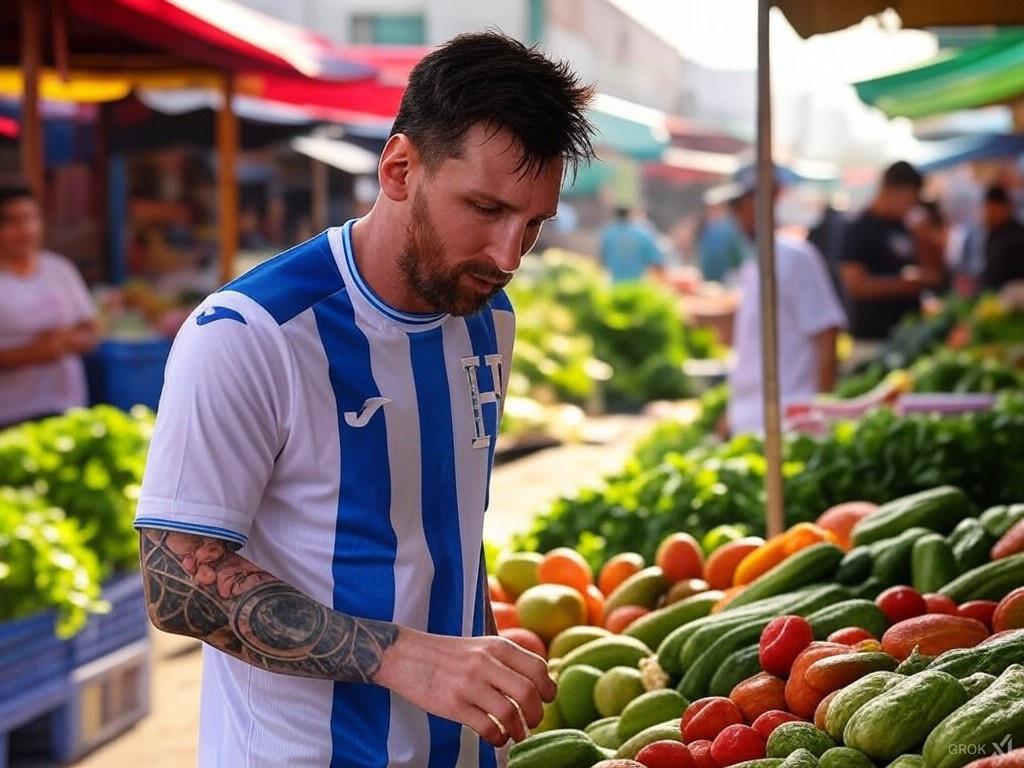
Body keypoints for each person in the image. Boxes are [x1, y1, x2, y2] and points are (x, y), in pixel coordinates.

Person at [134, 32, 595, 768]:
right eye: (484, 208)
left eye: (533, 223)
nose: (509, 256)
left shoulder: (488, 317)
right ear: (400, 168)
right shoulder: (249, 334)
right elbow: (173, 582)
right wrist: (404, 657)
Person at [724, 175, 846, 435]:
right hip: (751, 420)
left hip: (790, 420)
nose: (737, 217)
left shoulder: (795, 258)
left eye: (740, 206)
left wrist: (818, 412)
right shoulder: (753, 265)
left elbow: (826, 332)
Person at [0, 184, 98, 430]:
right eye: (13, 221)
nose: (25, 230)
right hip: (10, 415)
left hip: (67, 407)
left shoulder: (59, 269)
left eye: (31, 219)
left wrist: (73, 341)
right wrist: (37, 351)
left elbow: (91, 327)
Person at [839, 161, 941, 340]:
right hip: (873, 336)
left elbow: (932, 273)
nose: (910, 207)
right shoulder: (859, 228)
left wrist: (924, 239)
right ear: (891, 190)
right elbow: (855, 285)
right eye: (909, 200)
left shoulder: (904, 226)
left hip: (908, 333)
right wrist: (905, 284)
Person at [598, 206, 666, 283]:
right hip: (638, 285)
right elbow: (657, 261)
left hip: (615, 286)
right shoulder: (642, 234)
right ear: (630, 214)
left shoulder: (608, 234)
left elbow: (602, 260)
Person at [979, 185, 1024, 291]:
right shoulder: (992, 234)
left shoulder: (1017, 236)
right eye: (987, 210)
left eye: (993, 211)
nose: (988, 216)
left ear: (1005, 208)